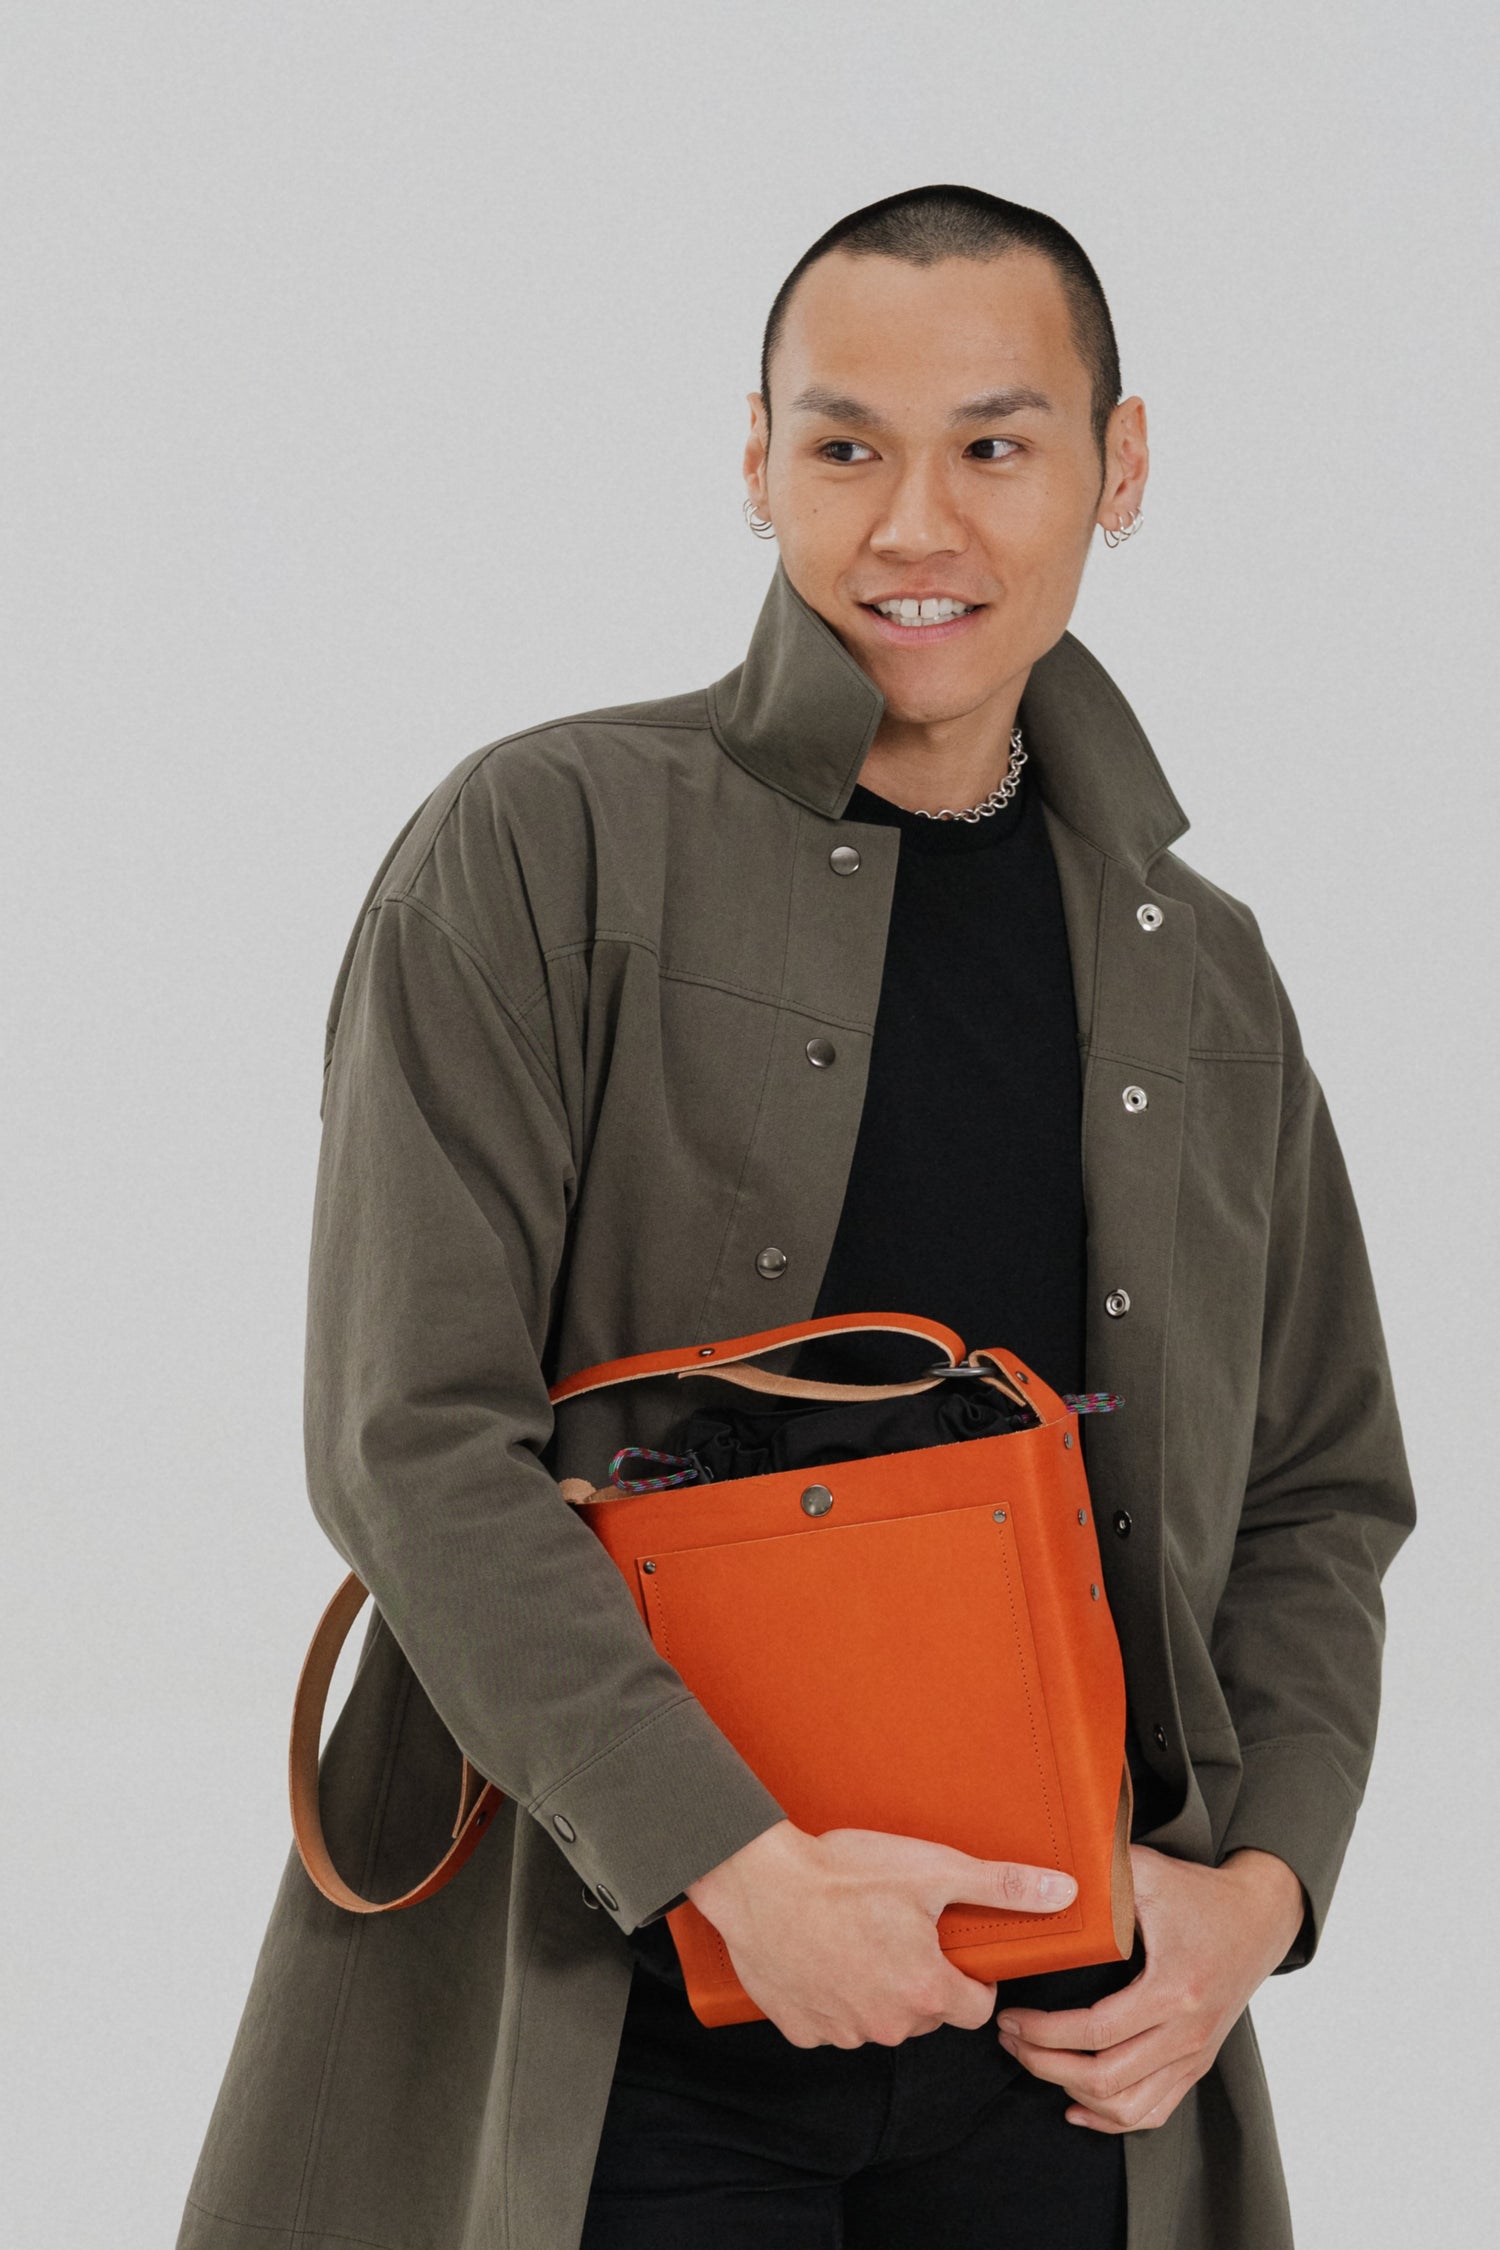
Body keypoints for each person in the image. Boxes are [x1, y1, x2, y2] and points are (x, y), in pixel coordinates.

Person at [178, 187, 1415, 2250]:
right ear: (756, 462)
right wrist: (739, 1873)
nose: (916, 525)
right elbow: (411, 1437)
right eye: (847, 447)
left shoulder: (1201, 965)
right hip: (618, 2025)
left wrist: (1257, 1899)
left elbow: (1317, 1488)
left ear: (1119, 468)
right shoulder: (537, 848)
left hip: (1069, 2052)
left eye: (995, 445)